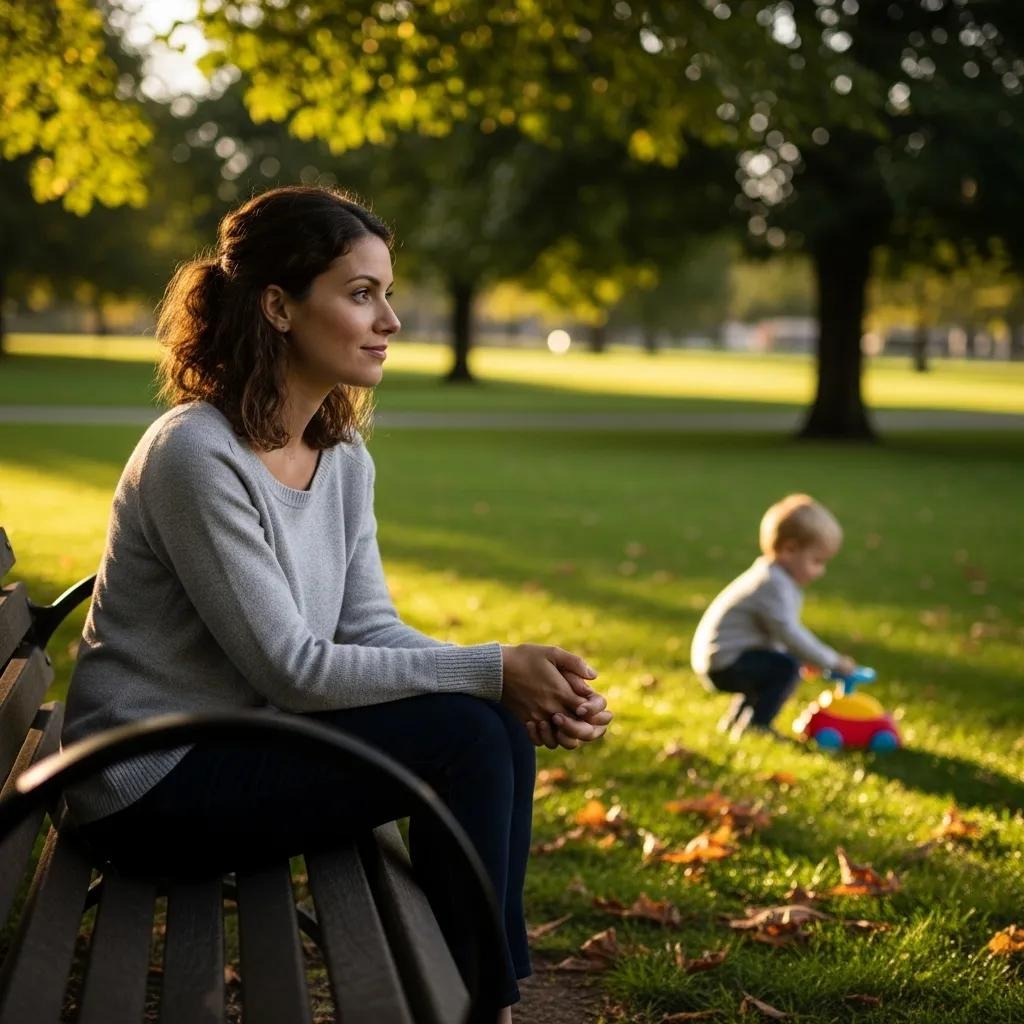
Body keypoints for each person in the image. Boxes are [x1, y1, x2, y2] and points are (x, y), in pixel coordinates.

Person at [61, 184, 612, 1020]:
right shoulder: (196, 455)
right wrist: (494, 670)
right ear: (279, 306)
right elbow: (293, 671)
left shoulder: (341, 452)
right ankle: (476, 1007)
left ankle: (482, 999)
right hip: (147, 785)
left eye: (387, 293)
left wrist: (512, 683)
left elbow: (366, 626)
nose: (390, 318)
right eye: (361, 294)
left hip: (238, 743)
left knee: (489, 725)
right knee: (470, 728)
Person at [690, 493, 856, 739]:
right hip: (724, 664)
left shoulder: (776, 579)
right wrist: (832, 661)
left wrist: (802, 658)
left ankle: (736, 723)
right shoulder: (772, 585)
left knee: (775, 668)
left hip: (722, 660)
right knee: (783, 669)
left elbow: (773, 636)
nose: (821, 571)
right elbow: (789, 633)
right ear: (789, 550)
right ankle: (758, 726)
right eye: (817, 561)